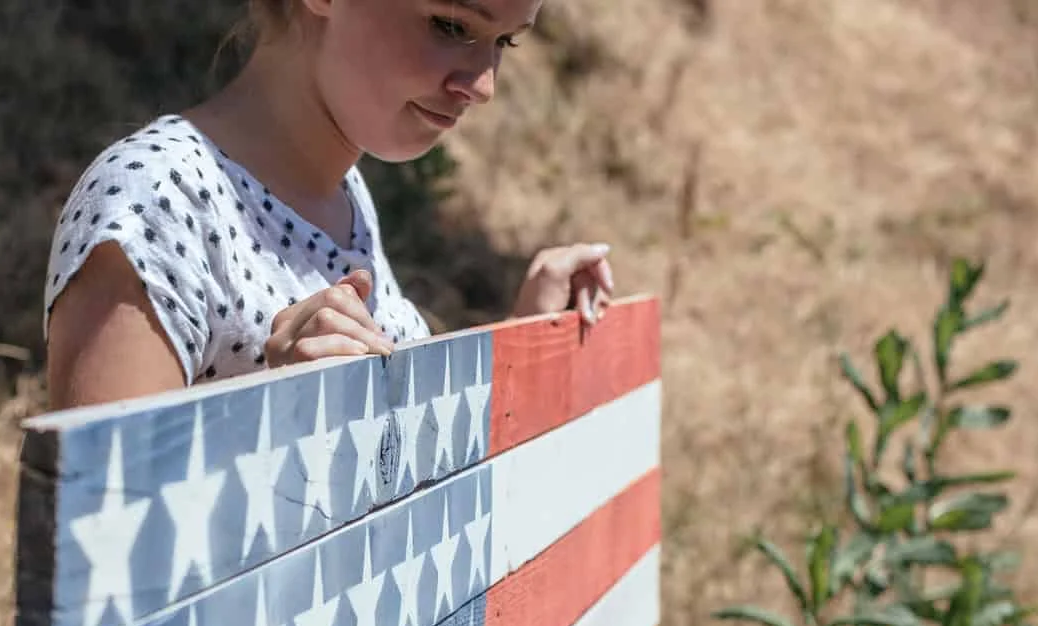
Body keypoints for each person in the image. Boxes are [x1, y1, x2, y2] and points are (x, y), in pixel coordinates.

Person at [43, 0, 615, 411]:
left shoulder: (344, 197)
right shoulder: (157, 198)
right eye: (451, 24)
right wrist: (284, 416)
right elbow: (104, 544)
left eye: (504, 41)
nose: (484, 84)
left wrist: (529, 337)